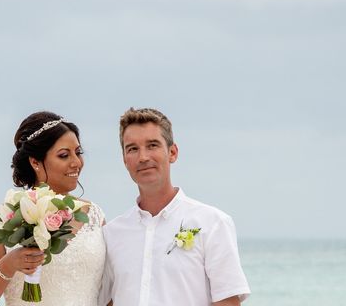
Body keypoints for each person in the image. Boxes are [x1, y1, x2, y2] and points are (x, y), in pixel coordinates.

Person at [100, 108, 250, 306]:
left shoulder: (213, 223)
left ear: (172, 152)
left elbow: (227, 301)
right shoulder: (112, 233)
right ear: (124, 160)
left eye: (152, 145)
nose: (143, 157)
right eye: (133, 149)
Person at [0, 111, 106, 306]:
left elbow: (108, 293)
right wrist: (8, 265)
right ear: (35, 162)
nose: (76, 162)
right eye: (64, 155)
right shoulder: (3, 218)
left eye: (78, 152)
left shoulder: (94, 216)